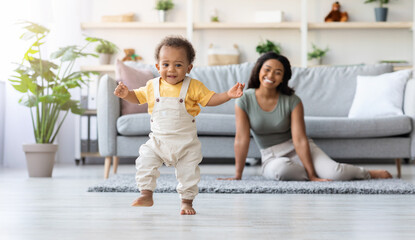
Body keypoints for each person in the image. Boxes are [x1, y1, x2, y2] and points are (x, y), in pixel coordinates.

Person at [114, 36, 245, 215]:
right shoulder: (152, 86)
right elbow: (137, 97)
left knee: (189, 174)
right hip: (158, 142)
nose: (171, 70)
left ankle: (186, 202)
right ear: (158, 66)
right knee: (144, 161)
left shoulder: (193, 86)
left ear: (189, 68)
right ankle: (146, 193)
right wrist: (125, 94)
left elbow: (210, 99)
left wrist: (227, 95)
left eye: (178, 65)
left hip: (186, 145)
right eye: (166, 64)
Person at [219, 52, 392, 182]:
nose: (271, 76)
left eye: (278, 72)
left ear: (283, 78)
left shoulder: (293, 101)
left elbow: (300, 139)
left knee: (335, 174)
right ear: (258, 70)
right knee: (281, 171)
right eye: (267, 70)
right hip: (272, 156)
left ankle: (367, 173)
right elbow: (241, 139)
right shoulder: (244, 99)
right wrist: (237, 175)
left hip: (299, 148)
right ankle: (310, 172)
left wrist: (311, 174)